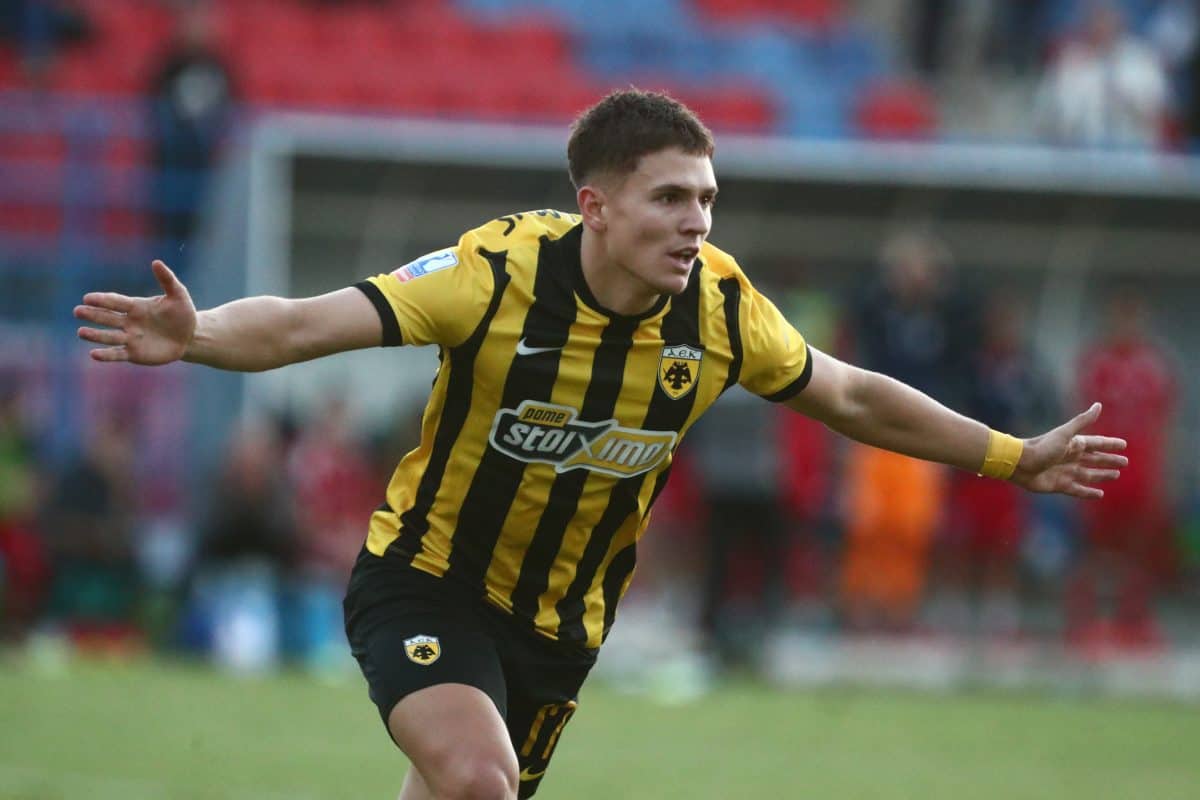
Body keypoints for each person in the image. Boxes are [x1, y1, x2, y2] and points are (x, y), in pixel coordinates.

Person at [75, 90, 1127, 800]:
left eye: (707, 199)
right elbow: (305, 325)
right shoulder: (493, 275)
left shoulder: (721, 310)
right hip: (428, 578)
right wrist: (198, 334)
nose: (696, 221)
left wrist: (1011, 454)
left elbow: (849, 393)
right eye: (670, 198)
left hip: (564, 621)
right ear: (597, 206)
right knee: (478, 781)